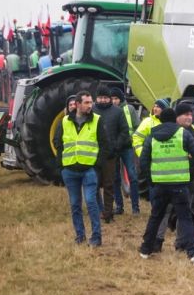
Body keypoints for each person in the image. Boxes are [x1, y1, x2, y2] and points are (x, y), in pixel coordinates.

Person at [138, 108, 194, 263]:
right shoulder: (183, 133)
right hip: (180, 183)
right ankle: (192, 253)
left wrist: (151, 180)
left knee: (156, 217)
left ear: (160, 120)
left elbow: (143, 161)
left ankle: (146, 250)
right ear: (175, 119)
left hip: (159, 184)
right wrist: (188, 167)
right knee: (185, 218)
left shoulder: (152, 136)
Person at [53, 90, 109, 246]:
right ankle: (80, 235)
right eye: (86, 102)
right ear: (77, 104)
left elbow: (105, 145)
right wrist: (62, 166)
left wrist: (97, 166)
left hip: (89, 170)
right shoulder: (64, 121)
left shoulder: (97, 120)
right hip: (70, 170)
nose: (90, 105)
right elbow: (58, 142)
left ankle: (96, 237)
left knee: (91, 202)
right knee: (75, 204)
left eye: (91, 102)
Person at [154, 102, 194, 252]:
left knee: (184, 213)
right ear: (177, 117)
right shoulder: (169, 132)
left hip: (189, 179)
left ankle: (181, 243)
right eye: (185, 115)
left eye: (190, 114)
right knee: (164, 211)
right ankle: (157, 241)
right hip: (167, 179)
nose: (189, 117)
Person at [93, 85, 130, 223]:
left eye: (105, 97)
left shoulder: (117, 112)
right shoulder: (92, 111)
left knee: (109, 185)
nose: (102, 100)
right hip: (93, 154)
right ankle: (98, 209)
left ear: (109, 98)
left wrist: (116, 146)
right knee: (94, 184)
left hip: (110, 155)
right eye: (100, 97)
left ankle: (108, 213)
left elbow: (124, 131)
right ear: (96, 98)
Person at [111, 87, 141, 215]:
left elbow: (137, 127)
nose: (113, 101)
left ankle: (135, 207)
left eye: (116, 98)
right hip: (114, 148)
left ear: (121, 99)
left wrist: (130, 139)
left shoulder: (129, 109)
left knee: (133, 176)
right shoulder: (109, 111)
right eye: (112, 99)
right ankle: (119, 206)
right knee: (115, 178)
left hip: (127, 147)